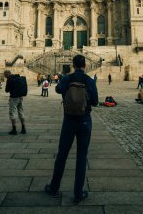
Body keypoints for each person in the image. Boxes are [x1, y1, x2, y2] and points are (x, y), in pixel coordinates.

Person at [45, 54, 98, 204]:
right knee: (81, 157)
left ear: (73, 65)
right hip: (85, 121)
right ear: (84, 65)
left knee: (62, 154)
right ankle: (78, 193)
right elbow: (95, 101)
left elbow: (58, 90)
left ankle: (54, 187)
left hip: (69, 120)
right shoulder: (89, 80)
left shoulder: (67, 78)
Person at [4, 70, 26, 135]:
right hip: (20, 97)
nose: (4, 76)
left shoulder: (9, 79)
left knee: (12, 113)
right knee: (21, 112)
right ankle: (23, 129)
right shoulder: (17, 77)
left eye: (4, 74)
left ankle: (14, 129)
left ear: (7, 74)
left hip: (14, 98)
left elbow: (6, 90)